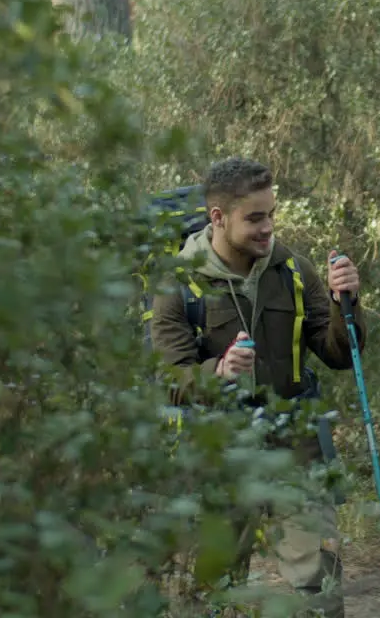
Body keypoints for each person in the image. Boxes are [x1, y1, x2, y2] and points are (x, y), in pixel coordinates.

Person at [151, 157, 365, 618]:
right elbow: (171, 379)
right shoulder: (178, 286)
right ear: (218, 218)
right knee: (213, 595)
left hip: (297, 447)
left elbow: (339, 356)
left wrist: (344, 302)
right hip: (220, 454)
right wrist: (219, 372)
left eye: (271, 214)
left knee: (321, 590)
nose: (268, 228)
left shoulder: (292, 270)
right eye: (254, 218)